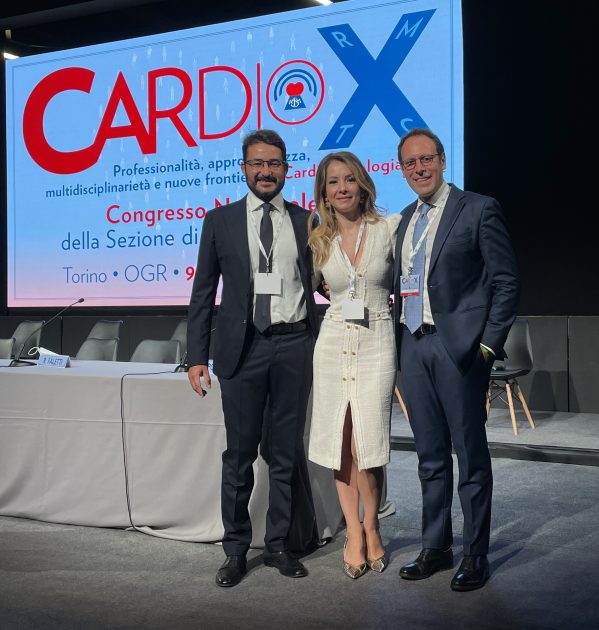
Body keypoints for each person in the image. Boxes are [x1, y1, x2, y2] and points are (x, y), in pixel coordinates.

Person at [186, 129, 320, 587]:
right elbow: (203, 292)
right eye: (257, 163)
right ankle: (236, 550)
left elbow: (325, 281)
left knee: (284, 454)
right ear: (244, 168)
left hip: (293, 346)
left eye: (274, 164)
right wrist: (196, 356)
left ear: (286, 169)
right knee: (239, 456)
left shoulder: (307, 221)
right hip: (242, 350)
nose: (266, 171)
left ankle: (278, 545)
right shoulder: (219, 220)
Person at [393, 128, 519, 591]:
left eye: (426, 159)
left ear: (443, 160)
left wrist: (487, 346)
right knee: (429, 456)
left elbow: (506, 281)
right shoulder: (403, 221)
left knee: (470, 454)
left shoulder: (478, 208)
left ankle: (476, 553)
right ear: (401, 170)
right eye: (410, 163)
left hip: (459, 349)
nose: (419, 169)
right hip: (413, 345)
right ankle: (437, 546)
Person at [307, 152, 400, 579]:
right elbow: (313, 287)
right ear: (324, 193)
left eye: (348, 179)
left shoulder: (389, 229)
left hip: (376, 340)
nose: (341, 188)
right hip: (332, 342)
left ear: (362, 185)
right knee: (339, 443)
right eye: (333, 182)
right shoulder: (319, 238)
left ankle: (373, 523)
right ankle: (354, 533)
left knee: (368, 442)